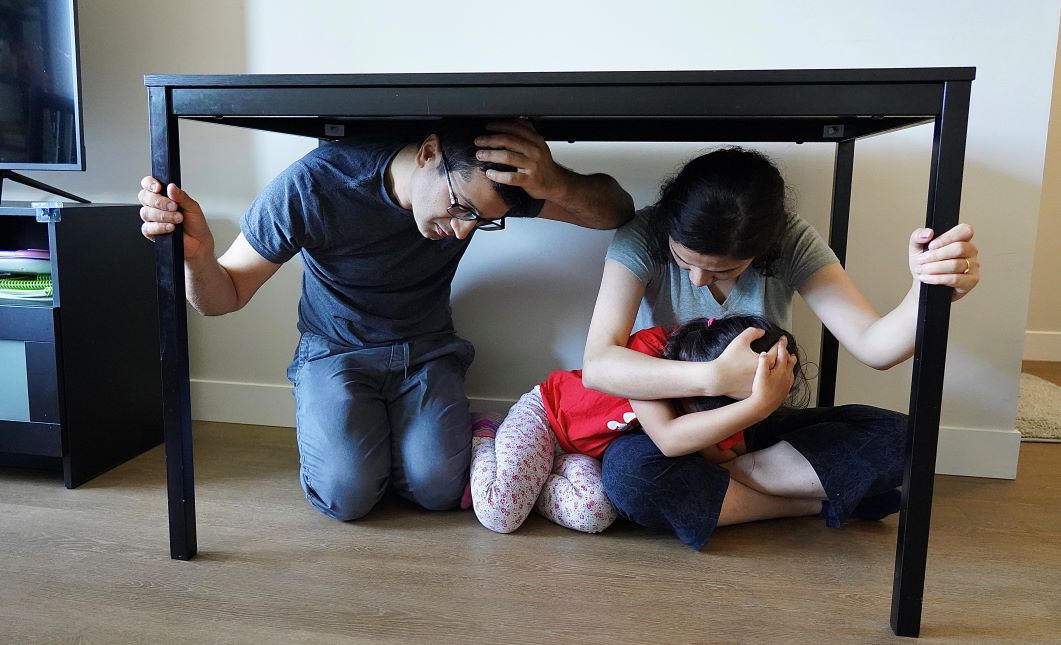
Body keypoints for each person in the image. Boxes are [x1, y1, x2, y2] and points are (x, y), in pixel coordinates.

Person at [137, 119, 634, 522]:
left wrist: (556, 182)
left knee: (439, 491)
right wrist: (197, 258)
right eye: (460, 209)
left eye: (481, 223)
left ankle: (441, 441)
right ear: (428, 153)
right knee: (346, 497)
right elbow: (222, 297)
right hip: (336, 351)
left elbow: (615, 211)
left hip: (426, 350)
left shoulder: (490, 184)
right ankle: (374, 441)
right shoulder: (314, 184)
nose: (462, 232)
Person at [582, 147, 981, 550]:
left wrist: (926, 292)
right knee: (631, 475)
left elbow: (874, 347)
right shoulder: (644, 234)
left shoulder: (790, 239)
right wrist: (713, 377)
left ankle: (736, 482)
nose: (699, 280)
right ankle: (814, 502)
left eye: (724, 269)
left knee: (906, 439)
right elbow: (599, 364)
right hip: (679, 419)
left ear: (764, 248)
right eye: (684, 263)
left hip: (760, 423)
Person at [469, 314, 804, 535]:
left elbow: (725, 460)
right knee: (501, 513)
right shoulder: (650, 353)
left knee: (596, 513)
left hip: (580, 456)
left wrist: (756, 404)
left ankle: (532, 475)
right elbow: (670, 440)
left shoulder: (734, 401)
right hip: (544, 417)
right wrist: (758, 408)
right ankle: (485, 433)